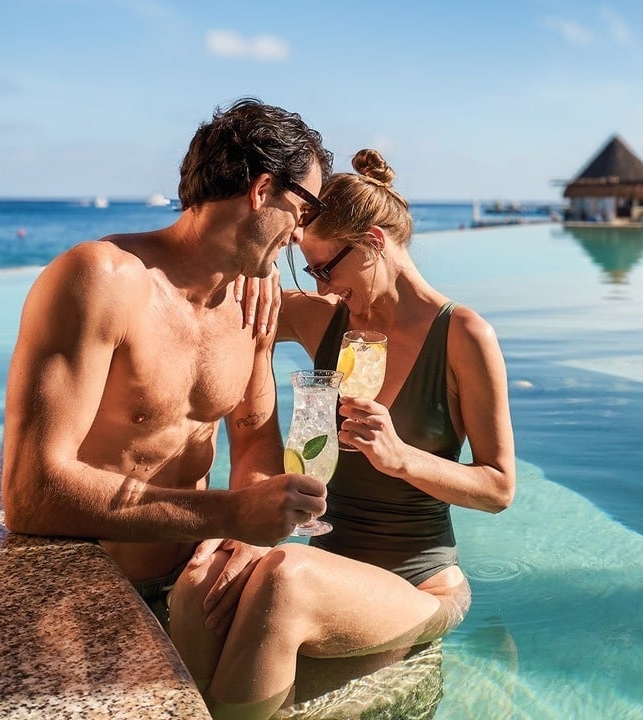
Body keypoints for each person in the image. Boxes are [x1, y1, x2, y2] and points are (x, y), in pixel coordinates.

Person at [170, 149, 516, 719]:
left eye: (327, 268)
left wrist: (402, 458)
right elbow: (206, 314)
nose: (322, 285)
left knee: (285, 576)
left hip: (419, 586)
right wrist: (252, 279)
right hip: (333, 570)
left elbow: (499, 488)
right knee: (199, 581)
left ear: (375, 241)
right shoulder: (324, 317)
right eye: (308, 271)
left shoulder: (463, 335)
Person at [0, 98, 335, 629]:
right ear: (263, 189)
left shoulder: (250, 299)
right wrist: (231, 513)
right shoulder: (102, 280)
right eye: (306, 209)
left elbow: (252, 443)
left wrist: (245, 534)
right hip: (86, 591)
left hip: (192, 583)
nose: (301, 233)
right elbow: (30, 494)